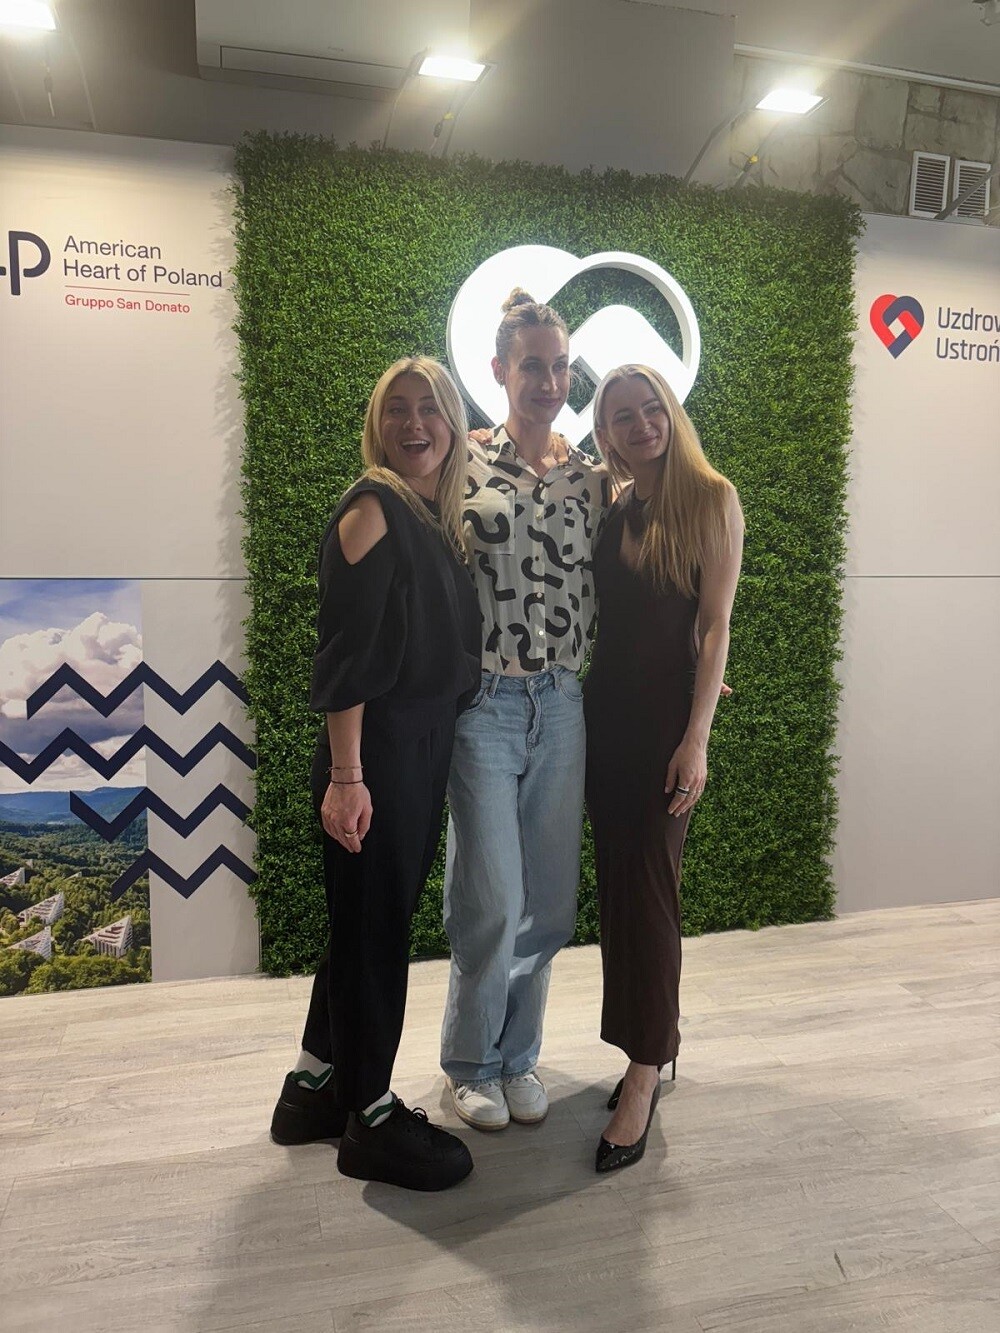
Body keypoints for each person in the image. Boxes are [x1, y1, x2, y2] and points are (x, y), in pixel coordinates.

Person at [269, 356, 482, 1192]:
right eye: (397, 408)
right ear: (376, 423)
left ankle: (314, 1087)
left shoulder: (428, 515)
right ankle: (371, 1116)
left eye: (430, 407)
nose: (413, 423)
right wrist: (349, 775)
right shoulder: (373, 509)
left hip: (415, 747)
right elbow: (348, 657)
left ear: (453, 423)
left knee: (362, 924)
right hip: (378, 754)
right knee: (376, 935)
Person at [440, 290, 608, 1131]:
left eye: (560, 366)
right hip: (488, 702)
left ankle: (517, 1057)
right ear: (500, 370)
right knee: (491, 893)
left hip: (563, 702)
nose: (549, 381)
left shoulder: (591, 477)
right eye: (532, 365)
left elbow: (645, 567)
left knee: (549, 900)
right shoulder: (464, 465)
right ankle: (471, 1063)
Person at [584, 363, 743, 1173]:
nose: (641, 423)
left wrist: (697, 737)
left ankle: (646, 1071)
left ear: (671, 414)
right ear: (606, 431)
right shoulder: (618, 505)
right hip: (601, 722)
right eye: (623, 415)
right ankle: (644, 1045)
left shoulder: (711, 498)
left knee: (650, 897)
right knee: (621, 894)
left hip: (662, 730)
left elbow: (714, 628)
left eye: (651, 409)